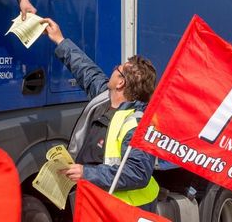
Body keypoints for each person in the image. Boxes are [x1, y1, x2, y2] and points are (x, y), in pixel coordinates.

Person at [42, 17, 160, 212]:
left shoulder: (136, 124)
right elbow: (87, 71)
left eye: (118, 69)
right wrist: (60, 40)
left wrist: (86, 173)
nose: (113, 69)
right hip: (98, 203)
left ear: (121, 83)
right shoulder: (105, 98)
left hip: (124, 211)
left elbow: (138, 172)